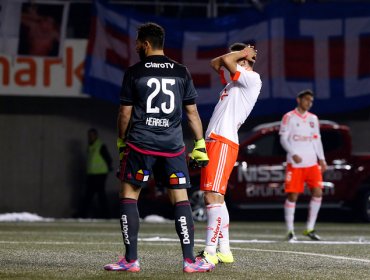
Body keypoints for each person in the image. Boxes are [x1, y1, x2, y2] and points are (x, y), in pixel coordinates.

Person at [103, 22, 214, 273]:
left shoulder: (134, 71)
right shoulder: (181, 71)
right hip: (173, 146)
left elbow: (124, 113)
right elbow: (192, 113)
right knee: (181, 199)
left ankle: (131, 260)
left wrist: (122, 141)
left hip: (141, 144)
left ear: (146, 44)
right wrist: (199, 145)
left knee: (130, 196)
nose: (135, 47)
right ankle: (189, 261)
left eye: (137, 43)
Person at [196, 43, 262, 265]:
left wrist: (242, 54)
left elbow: (224, 61)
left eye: (240, 57)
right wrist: (240, 53)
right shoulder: (235, 81)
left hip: (223, 141)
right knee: (217, 197)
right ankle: (224, 250)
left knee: (211, 195)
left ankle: (210, 252)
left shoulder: (251, 78)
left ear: (244, 61)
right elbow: (215, 62)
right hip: (215, 140)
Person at [279, 89, 327, 242]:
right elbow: (283, 139)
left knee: (318, 193)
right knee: (293, 195)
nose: (309, 103)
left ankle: (310, 228)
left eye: (311, 101)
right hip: (295, 164)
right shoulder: (289, 117)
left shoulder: (313, 118)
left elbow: (317, 140)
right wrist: (293, 153)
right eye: (306, 99)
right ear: (298, 100)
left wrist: (322, 159)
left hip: (312, 163)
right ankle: (290, 231)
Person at [80, 128, 112, 218]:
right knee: (90, 194)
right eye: (89, 136)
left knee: (99, 195)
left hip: (100, 174)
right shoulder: (90, 147)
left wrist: (109, 168)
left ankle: (106, 215)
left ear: (96, 136)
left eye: (92, 135)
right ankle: (83, 214)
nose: (90, 137)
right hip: (92, 174)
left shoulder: (100, 146)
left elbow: (108, 158)